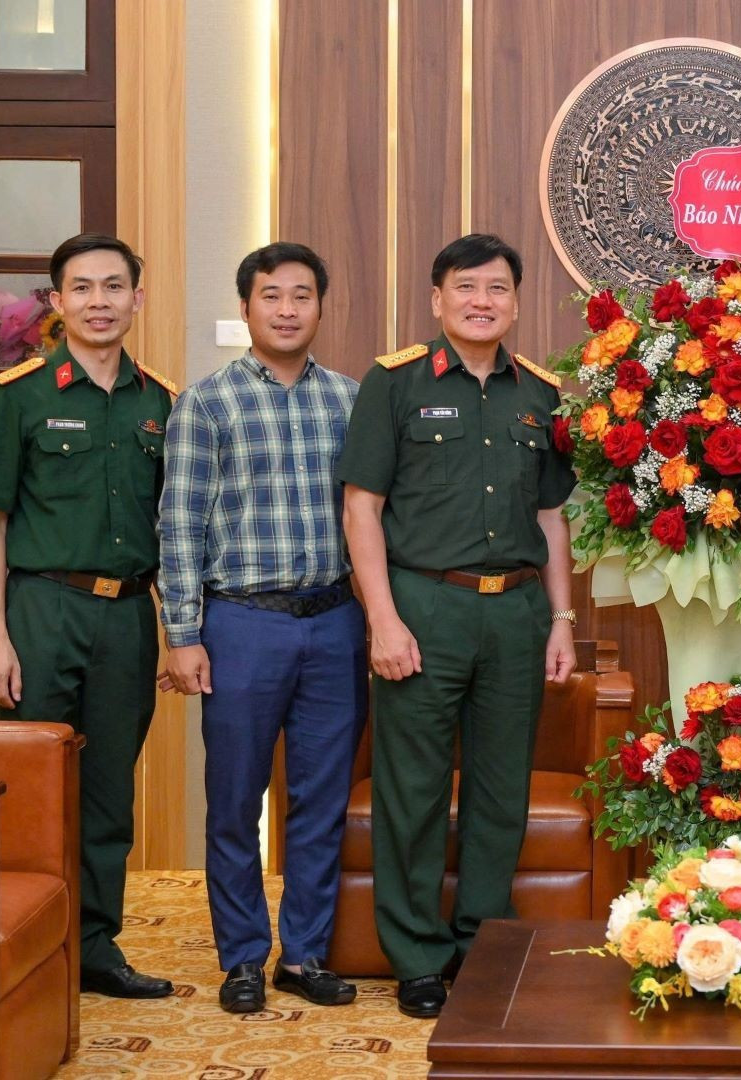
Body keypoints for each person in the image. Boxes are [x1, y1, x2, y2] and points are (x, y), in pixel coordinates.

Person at [337, 234, 578, 1020]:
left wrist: (562, 620)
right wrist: (382, 619)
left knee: (500, 789)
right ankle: (416, 956)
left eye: (498, 288)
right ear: (437, 299)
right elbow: (362, 508)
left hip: (515, 610)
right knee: (411, 789)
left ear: (515, 301)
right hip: (422, 607)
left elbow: (550, 517)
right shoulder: (395, 382)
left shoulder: (541, 394)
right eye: (466, 287)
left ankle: (482, 947)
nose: (483, 301)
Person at [0, 233, 177, 998]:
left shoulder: (161, 401)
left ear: (136, 300)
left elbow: (176, 527)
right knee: (25, 783)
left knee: (108, 788)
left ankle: (93, 947)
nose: (99, 302)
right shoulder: (17, 394)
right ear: (57, 302)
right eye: (81, 288)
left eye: (114, 287)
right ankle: (17, 943)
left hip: (125, 617)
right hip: (40, 608)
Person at [157, 243, 364, 1014]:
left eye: (301, 296)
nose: (286, 309)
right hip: (242, 623)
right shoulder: (205, 402)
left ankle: (304, 953)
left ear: (320, 306)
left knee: (321, 800)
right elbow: (178, 525)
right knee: (234, 798)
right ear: (246, 307)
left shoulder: (349, 400)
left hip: (335, 621)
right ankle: (242, 956)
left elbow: (371, 518)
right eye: (271, 296)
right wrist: (183, 633)